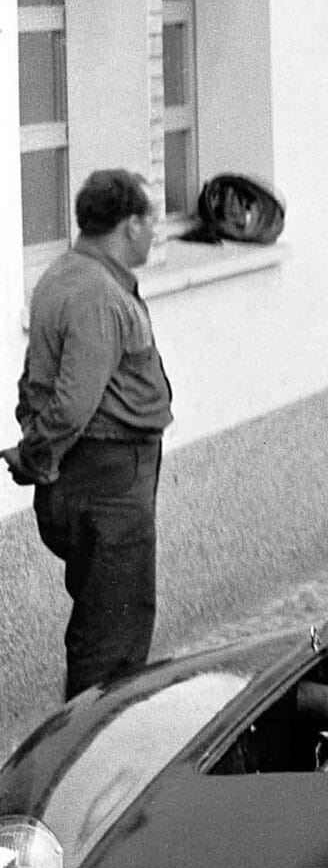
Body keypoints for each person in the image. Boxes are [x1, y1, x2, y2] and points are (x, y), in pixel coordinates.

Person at [7, 169, 175, 696]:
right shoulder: (96, 293)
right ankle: (90, 760)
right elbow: (72, 403)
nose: (156, 232)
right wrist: (37, 457)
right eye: (151, 220)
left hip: (97, 476)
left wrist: (38, 454)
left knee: (107, 624)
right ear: (128, 225)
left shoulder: (66, 273)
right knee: (112, 643)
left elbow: (33, 382)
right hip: (108, 481)